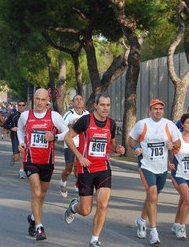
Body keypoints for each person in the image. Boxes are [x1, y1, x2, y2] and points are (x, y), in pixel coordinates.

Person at [63, 93, 125, 247]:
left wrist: (117, 148)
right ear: (96, 105)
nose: (105, 108)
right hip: (86, 169)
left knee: (103, 205)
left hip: (104, 168)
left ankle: (94, 240)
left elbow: (110, 143)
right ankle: (73, 206)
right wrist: (79, 157)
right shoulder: (86, 120)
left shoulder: (111, 123)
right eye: (102, 105)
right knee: (85, 210)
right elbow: (68, 138)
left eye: (108, 105)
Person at [17, 88, 68, 241]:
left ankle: (33, 218)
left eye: (42, 100)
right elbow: (20, 130)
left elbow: (68, 132)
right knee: (37, 193)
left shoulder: (54, 116)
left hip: (47, 161)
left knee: (42, 195)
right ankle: (40, 228)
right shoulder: (26, 116)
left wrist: (55, 136)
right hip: (30, 160)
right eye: (37, 99)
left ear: (48, 101)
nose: (39, 102)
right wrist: (21, 142)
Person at [127, 99, 181, 244]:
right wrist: (135, 148)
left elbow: (178, 142)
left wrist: (172, 145)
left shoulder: (169, 125)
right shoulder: (142, 124)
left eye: (160, 109)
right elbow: (131, 140)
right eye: (155, 109)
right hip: (146, 166)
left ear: (163, 111)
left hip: (162, 167)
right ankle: (154, 232)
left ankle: (141, 220)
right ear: (150, 110)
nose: (158, 111)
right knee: (153, 196)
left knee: (152, 197)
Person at [59, 94, 89, 197]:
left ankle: (77, 182)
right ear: (73, 103)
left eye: (81, 99)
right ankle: (63, 181)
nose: (79, 101)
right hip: (70, 143)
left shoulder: (87, 114)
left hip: (82, 144)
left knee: (78, 166)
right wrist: (73, 125)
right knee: (68, 169)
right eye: (76, 99)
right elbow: (61, 128)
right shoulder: (69, 114)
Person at [3, 99, 27, 179]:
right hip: (15, 138)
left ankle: (21, 171)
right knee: (17, 157)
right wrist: (12, 128)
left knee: (23, 154)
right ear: (17, 106)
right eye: (19, 105)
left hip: (25, 138)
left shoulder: (29, 115)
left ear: (25, 106)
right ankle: (14, 157)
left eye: (23, 105)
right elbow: (5, 124)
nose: (21, 107)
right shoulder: (13, 116)